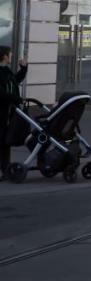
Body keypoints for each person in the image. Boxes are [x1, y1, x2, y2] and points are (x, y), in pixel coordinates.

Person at [0, 46, 28, 180]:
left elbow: (15, 81)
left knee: (5, 140)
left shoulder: (6, 70)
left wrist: (23, 69)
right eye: (10, 54)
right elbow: (1, 93)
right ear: (5, 56)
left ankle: (5, 168)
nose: (11, 56)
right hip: (1, 111)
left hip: (8, 112)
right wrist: (14, 98)